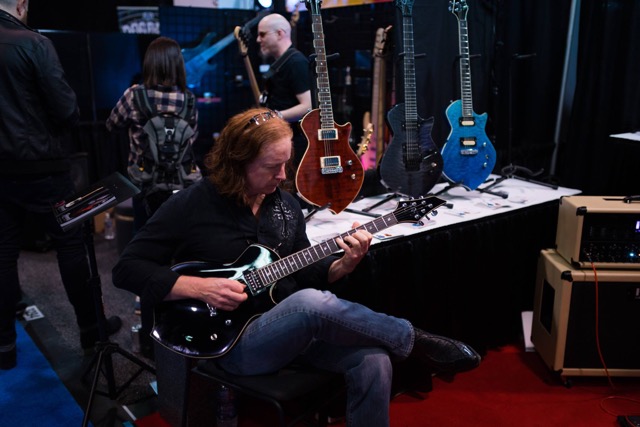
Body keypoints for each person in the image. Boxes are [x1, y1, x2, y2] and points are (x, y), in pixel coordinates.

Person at [112, 107, 481, 425]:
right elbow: (127, 268)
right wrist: (198, 287)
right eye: (272, 166)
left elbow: (307, 272)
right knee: (311, 302)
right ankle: (414, 340)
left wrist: (346, 263)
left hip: (291, 331)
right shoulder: (194, 203)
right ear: (237, 163)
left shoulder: (285, 206)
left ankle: (403, 345)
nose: (282, 175)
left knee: (374, 360)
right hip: (230, 343)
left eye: (286, 162)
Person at [0, 0, 121, 370]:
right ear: (22, 4)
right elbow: (66, 109)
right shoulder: (33, 43)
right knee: (71, 245)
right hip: (44, 165)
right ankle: (90, 333)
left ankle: (4, 346)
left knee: (2, 253)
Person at [106, 36, 200, 233]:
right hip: (181, 182)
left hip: (144, 181)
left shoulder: (134, 95)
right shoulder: (188, 99)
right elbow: (192, 138)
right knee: (180, 235)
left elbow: (112, 124)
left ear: (149, 63)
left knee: (144, 234)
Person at [257, 13, 312, 175]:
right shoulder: (281, 63)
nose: (258, 40)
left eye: (262, 34)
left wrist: (275, 116)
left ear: (280, 33)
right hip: (282, 139)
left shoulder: (295, 62)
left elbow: (308, 106)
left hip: (294, 144)